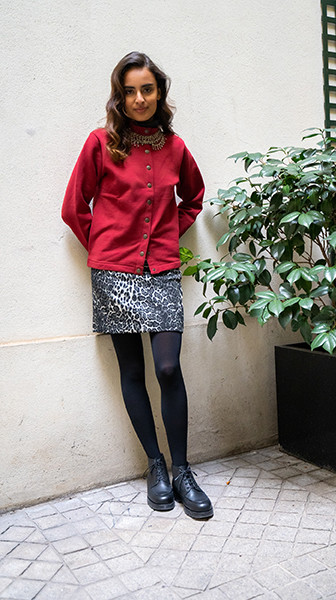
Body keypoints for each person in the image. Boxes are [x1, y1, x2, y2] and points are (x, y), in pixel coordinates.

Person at [62, 51, 213, 520]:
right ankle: (156, 466)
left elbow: (193, 198)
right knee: (132, 370)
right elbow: (73, 208)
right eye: (129, 91)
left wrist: (168, 235)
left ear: (159, 92)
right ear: (120, 97)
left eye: (146, 89)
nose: (139, 98)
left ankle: (183, 470)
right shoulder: (100, 143)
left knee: (167, 368)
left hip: (161, 269)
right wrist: (105, 247)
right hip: (114, 273)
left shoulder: (176, 148)